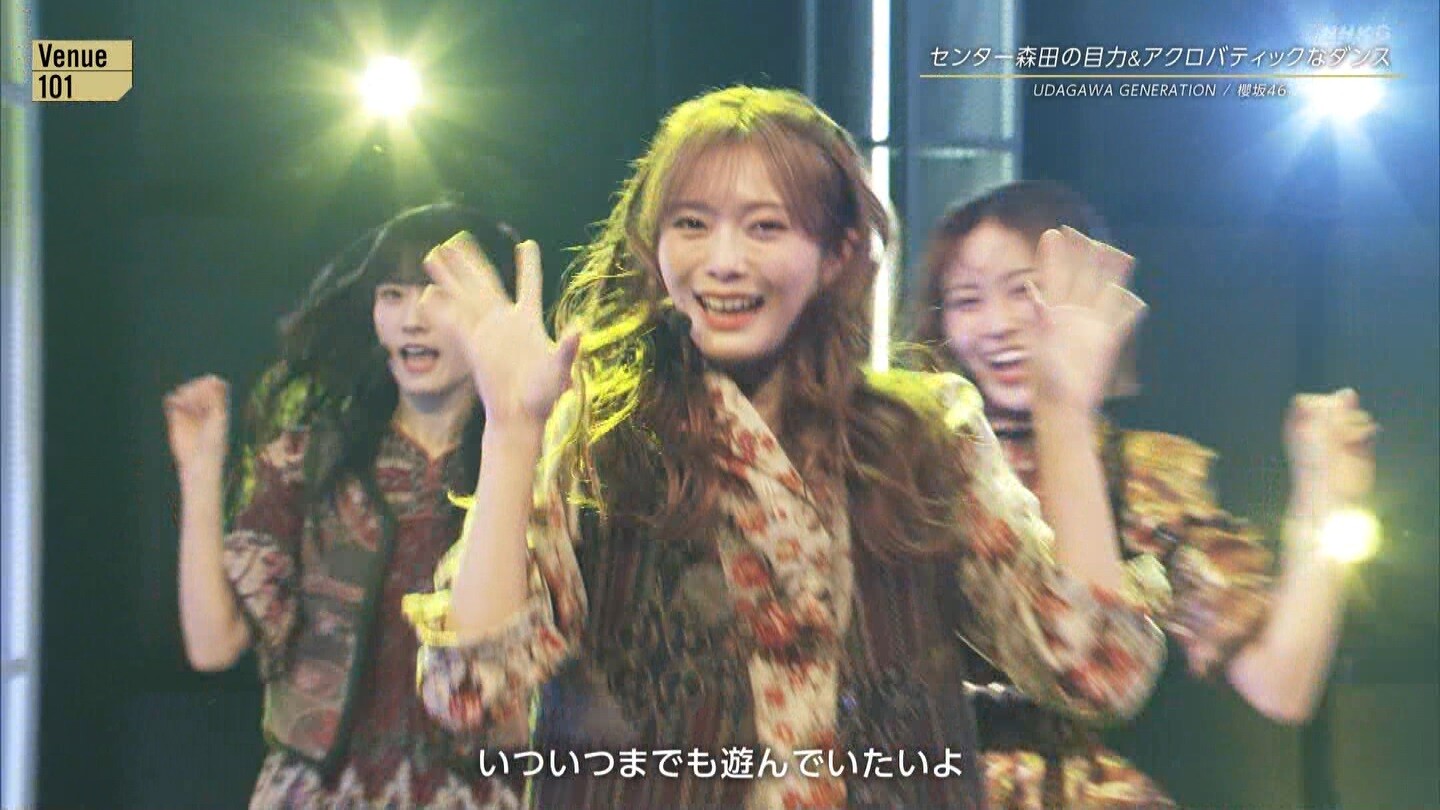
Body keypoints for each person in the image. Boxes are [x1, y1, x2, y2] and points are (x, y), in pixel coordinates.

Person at [401, 86, 1166, 810]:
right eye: (691, 224)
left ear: (836, 253)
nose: (723, 260)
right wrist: (510, 433)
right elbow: (473, 695)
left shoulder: (925, 436)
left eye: (765, 227)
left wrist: (1064, 414)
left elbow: (1096, 670)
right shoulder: (602, 438)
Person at [912, 179, 1378, 808]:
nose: (997, 324)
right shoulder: (910, 462)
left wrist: (1325, 498)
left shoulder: (1144, 475)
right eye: (967, 300)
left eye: (1024, 291)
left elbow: (1281, 684)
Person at [163, 203, 526, 808]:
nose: (412, 319)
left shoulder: (534, 467)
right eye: (392, 295)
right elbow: (213, 644)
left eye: (438, 293)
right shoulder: (310, 459)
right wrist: (200, 475)